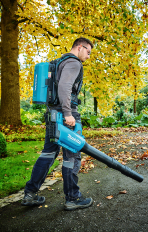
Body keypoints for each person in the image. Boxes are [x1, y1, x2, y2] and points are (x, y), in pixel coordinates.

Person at [21, 37, 94, 211]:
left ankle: (30, 194)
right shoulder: (74, 63)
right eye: (88, 52)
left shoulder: (58, 62)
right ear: (80, 47)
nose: (88, 57)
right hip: (66, 116)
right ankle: (73, 198)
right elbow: (64, 87)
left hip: (53, 114)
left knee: (48, 154)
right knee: (72, 156)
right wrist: (68, 114)